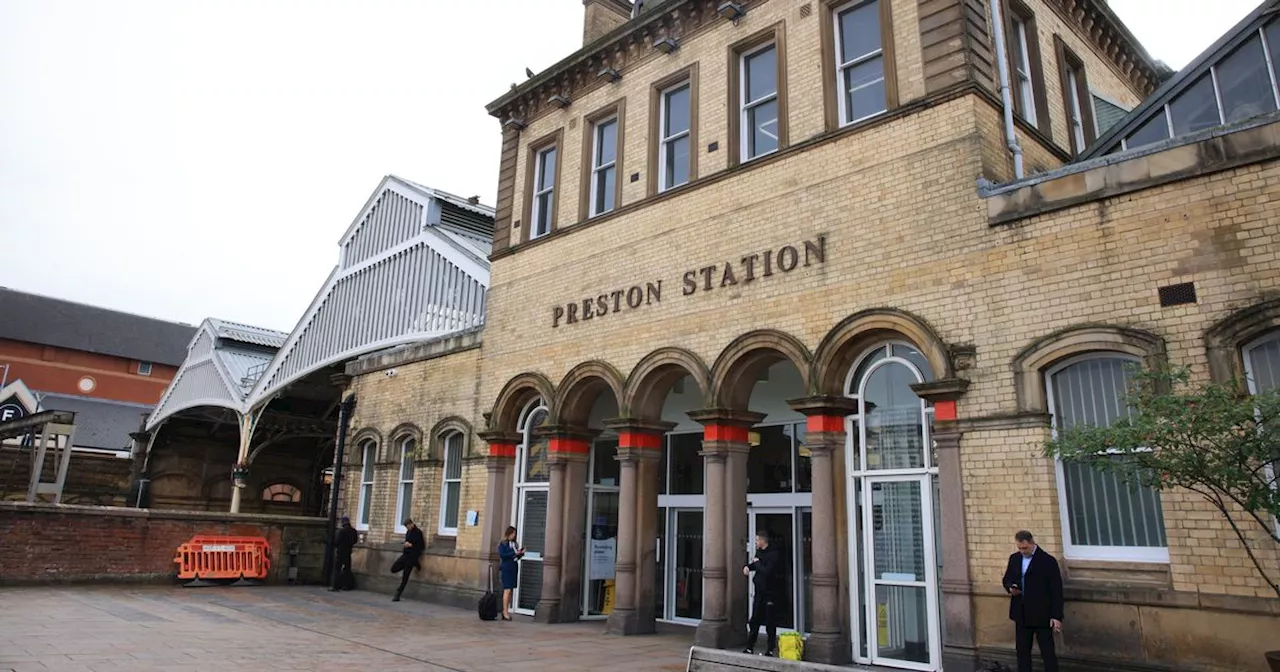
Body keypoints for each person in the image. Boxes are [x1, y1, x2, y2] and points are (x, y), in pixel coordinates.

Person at [1002, 530, 1063, 672]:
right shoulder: (1015, 558)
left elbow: (1056, 590)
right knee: (1022, 652)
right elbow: (1007, 579)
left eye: (1025, 548)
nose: (1022, 551)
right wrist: (1010, 588)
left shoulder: (1047, 561)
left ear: (1032, 543)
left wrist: (1056, 615)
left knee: (1047, 652)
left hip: (1042, 613)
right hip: (1021, 612)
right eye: (1019, 548)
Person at [742, 530, 783, 656]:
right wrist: (749, 566)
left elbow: (767, 571)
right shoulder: (760, 552)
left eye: (757, 540)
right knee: (755, 620)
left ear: (763, 541)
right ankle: (750, 647)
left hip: (770, 592)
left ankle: (770, 649)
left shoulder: (774, 554)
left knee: (770, 622)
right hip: (759, 592)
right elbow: (757, 565)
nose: (756, 542)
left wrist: (757, 563)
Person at [390, 518, 425, 602]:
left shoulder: (418, 532)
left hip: (412, 556)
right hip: (405, 555)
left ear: (411, 524)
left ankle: (398, 594)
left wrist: (411, 545)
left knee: (405, 576)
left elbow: (421, 546)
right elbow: (407, 541)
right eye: (406, 527)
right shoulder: (408, 532)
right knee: (393, 568)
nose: (407, 528)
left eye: (408, 526)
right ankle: (416, 564)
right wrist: (405, 544)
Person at [497, 525, 525, 621]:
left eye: (515, 534)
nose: (514, 535)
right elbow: (502, 555)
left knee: (510, 590)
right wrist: (514, 554)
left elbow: (515, 557)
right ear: (508, 534)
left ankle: (506, 610)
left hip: (513, 567)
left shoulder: (514, 544)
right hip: (506, 568)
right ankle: (504, 612)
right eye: (512, 534)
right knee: (507, 589)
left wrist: (520, 553)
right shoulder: (503, 544)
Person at [329, 516, 357, 592]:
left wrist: (336, 545)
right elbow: (355, 541)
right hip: (348, 552)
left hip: (340, 552)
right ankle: (346, 586)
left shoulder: (341, 531)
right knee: (347, 569)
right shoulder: (353, 531)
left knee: (337, 569)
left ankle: (335, 586)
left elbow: (337, 541)